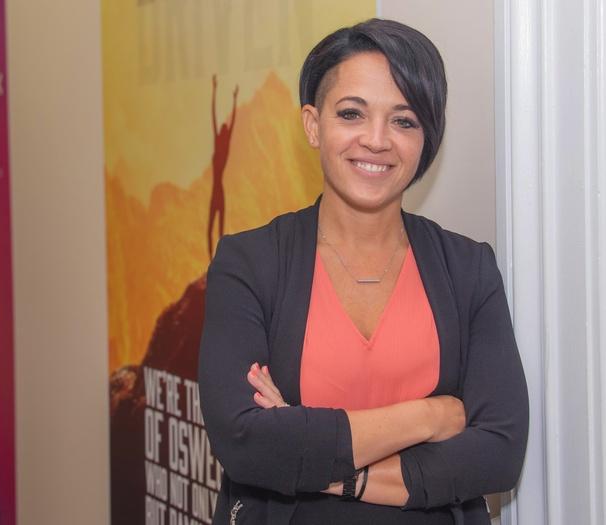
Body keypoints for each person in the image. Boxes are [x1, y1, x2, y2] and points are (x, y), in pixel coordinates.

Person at [199, 18, 528, 525]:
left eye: (404, 121)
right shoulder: (249, 263)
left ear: (427, 138)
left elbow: (498, 453)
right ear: (313, 124)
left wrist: (320, 461)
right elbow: (247, 444)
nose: (376, 140)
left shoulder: (467, 269)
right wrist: (430, 415)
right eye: (352, 113)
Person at [208, 74, 239, 259]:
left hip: (217, 191)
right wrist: (214, 90)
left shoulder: (223, 149)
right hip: (216, 191)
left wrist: (234, 100)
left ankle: (217, 261)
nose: (221, 127)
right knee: (212, 227)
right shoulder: (221, 149)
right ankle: (211, 260)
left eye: (223, 127)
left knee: (217, 229)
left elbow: (222, 119)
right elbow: (214, 116)